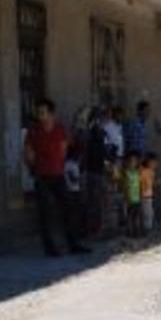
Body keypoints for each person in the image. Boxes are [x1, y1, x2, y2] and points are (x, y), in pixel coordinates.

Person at [24, 98, 90, 256]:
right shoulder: (33, 131)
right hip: (42, 176)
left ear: (51, 114)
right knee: (45, 213)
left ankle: (73, 244)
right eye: (38, 113)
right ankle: (50, 249)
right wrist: (34, 167)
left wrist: (59, 163)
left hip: (58, 175)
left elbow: (65, 149)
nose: (40, 116)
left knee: (68, 209)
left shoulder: (60, 129)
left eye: (43, 112)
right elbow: (28, 154)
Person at [84, 107, 108, 236]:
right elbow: (95, 151)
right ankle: (94, 230)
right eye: (100, 117)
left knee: (96, 201)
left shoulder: (96, 131)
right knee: (95, 202)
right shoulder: (93, 131)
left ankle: (95, 228)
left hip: (96, 169)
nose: (102, 120)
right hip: (94, 170)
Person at [64, 143, 84, 243]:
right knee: (74, 214)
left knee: (75, 214)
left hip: (73, 190)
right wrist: (79, 180)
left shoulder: (70, 164)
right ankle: (75, 234)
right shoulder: (70, 165)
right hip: (72, 191)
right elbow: (73, 179)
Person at [122, 152, 142, 238]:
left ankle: (136, 231)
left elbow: (139, 184)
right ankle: (129, 231)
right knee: (129, 216)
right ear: (126, 162)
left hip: (137, 198)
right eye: (130, 161)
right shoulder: (125, 173)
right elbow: (123, 185)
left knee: (136, 216)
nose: (132, 163)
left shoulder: (137, 172)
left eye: (134, 161)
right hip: (128, 199)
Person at [140, 152, 158, 235]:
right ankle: (146, 229)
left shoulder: (152, 172)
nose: (154, 164)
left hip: (149, 196)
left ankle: (147, 228)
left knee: (149, 213)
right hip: (143, 196)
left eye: (155, 163)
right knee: (146, 213)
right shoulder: (142, 171)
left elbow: (152, 183)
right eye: (152, 162)